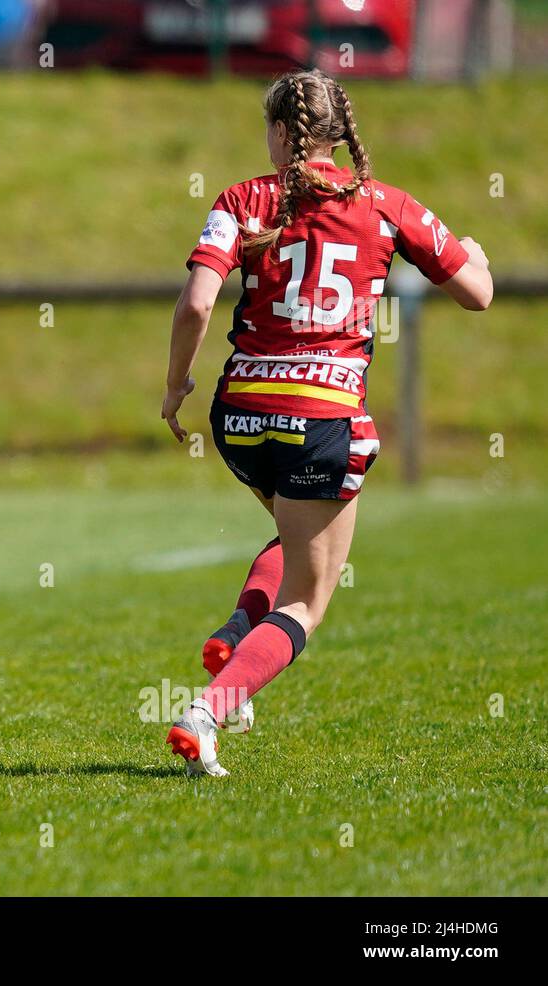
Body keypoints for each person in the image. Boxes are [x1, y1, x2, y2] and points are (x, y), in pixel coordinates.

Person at [160, 70, 492, 777]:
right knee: (310, 600)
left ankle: (239, 631)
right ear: (338, 136)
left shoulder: (243, 198)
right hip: (322, 419)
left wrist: (173, 387)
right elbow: (478, 294)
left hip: (240, 417)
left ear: (283, 134)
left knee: (292, 534)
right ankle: (207, 711)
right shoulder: (384, 204)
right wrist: (478, 254)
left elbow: (195, 305)